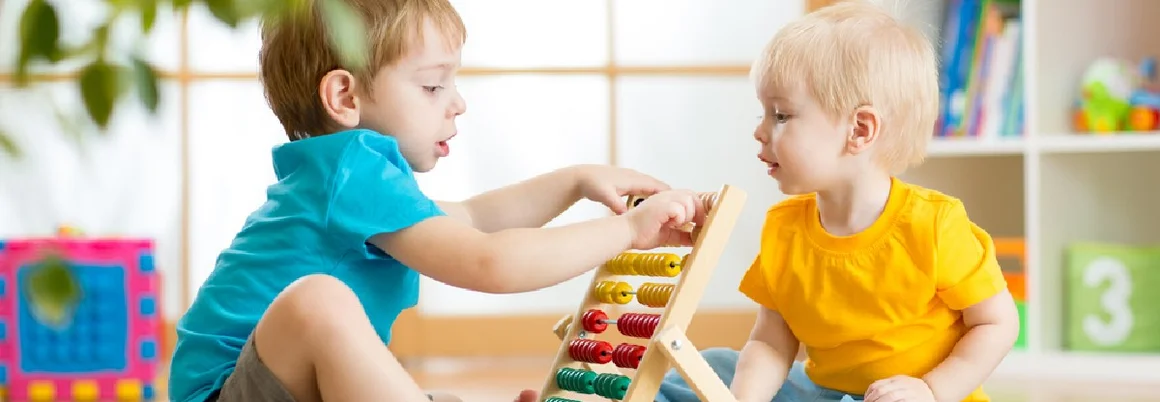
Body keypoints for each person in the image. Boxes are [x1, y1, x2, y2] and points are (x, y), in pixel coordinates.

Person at [166, 0, 709, 401]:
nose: (458, 104)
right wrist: (628, 232)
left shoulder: (346, 178)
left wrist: (573, 181)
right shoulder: (350, 173)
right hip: (226, 392)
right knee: (319, 301)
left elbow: (473, 219)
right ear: (345, 96)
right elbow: (488, 262)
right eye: (432, 87)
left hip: (271, 385)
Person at [654, 1, 1021, 402]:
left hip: (914, 396)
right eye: (763, 114)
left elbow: (998, 323)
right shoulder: (784, 228)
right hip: (828, 392)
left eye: (780, 116)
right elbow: (772, 344)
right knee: (717, 364)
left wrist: (932, 389)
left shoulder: (934, 225)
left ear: (860, 130)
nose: (759, 131)